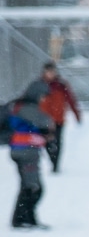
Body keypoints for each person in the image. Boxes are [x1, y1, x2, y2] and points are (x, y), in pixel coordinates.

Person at [8, 95, 56, 229]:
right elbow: (45, 122)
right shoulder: (27, 108)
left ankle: (24, 219)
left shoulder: (19, 108)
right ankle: (23, 220)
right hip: (26, 152)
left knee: (29, 186)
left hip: (23, 151)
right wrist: (48, 130)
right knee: (33, 187)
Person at [28, 63, 81, 172]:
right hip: (43, 120)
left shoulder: (61, 85)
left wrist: (76, 114)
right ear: (44, 72)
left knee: (57, 141)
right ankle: (52, 160)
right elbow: (29, 101)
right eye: (48, 71)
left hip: (58, 119)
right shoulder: (38, 85)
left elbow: (71, 100)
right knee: (47, 142)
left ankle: (56, 164)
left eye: (52, 71)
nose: (50, 74)